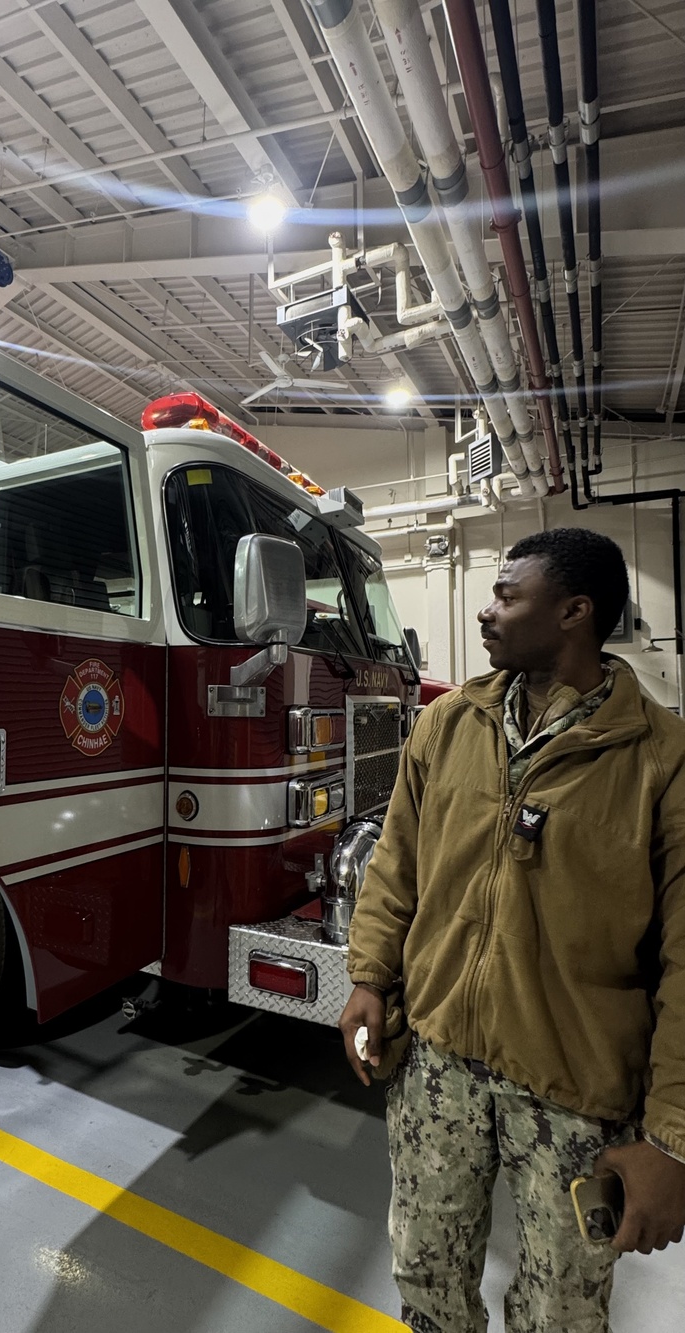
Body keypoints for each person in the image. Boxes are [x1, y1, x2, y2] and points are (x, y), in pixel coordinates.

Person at [338, 527, 685, 1333]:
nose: (486, 613)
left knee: (563, 1310)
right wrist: (367, 976)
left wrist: (670, 1137)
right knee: (425, 1275)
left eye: (505, 595)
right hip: (438, 1063)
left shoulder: (659, 758)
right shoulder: (449, 723)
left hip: (575, 1095)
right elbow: (397, 863)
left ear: (574, 611)